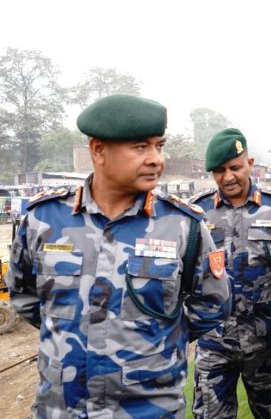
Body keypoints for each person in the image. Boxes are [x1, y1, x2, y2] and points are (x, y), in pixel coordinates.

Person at [7, 94, 231, 419]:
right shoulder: (44, 219)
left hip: (147, 408)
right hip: (63, 407)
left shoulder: (183, 226)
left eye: (159, 146)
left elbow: (213, 303)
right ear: (98, 150)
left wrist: (155, 342)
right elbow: (25, 296)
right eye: (141, 147)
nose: (156, 159)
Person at [191, 128, 271, 419]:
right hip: (214, 340)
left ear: (249, 163)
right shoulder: (197, 211)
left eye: (235, 168)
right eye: (219, 171)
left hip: (266, 339)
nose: (228, 177)